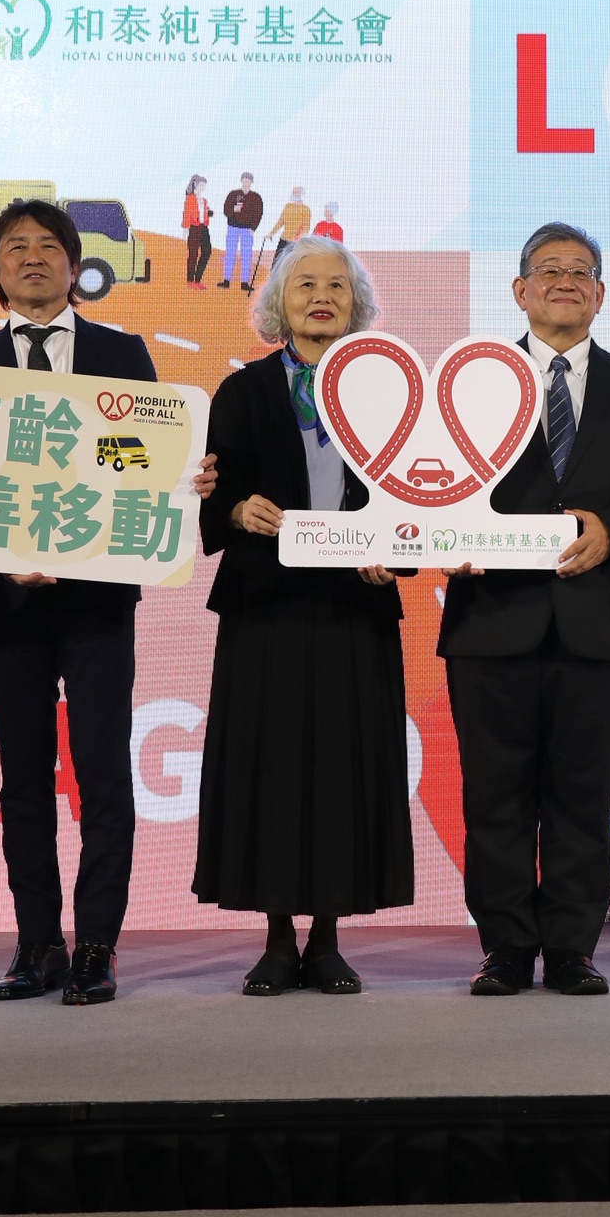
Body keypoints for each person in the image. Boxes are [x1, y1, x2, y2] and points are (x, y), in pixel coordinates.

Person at [438, 224, 610, 996]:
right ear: (520, 291)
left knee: (582, 798)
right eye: (548, 270)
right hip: (492, 619)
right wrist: (443, 533)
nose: (565, 281)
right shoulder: (471, 382)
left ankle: (573, 949)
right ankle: (506, 949)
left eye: (581, 271)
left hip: (598, 622)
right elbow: (432, 478)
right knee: (496, 798)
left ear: (600, 295)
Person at [0, 199, 159, 1006]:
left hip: (99, 594)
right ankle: (37, 945)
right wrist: (5, 554)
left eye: (48, 246)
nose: (32, 257)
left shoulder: (121, 353)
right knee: (22, 779)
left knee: (102, 773)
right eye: (15, 247)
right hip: (8, 603)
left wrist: (180, 476)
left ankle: (97, 946)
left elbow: (141, 459)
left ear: (76, 266)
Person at [191, 237, 412, 996]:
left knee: (346, 770)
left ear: (358, 305)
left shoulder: (387, 394)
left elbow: (412, 499)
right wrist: (235, 509)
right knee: (271, 768)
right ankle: (278, 940)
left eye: (337, 286)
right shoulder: (242, 390)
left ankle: (327, 939)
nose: (322, 297)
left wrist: (393, 552)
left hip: (356, 607)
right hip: (266, 607)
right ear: (278, 305)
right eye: (305, 285)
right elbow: (215, 491)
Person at [220, 172, 263, 288]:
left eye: (248, 181)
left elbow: (258, 213)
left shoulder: (256, 197)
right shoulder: (233, 194)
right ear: (241, 181)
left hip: (247, 230)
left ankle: (244, 282)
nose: (246, 182)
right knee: (230, 254)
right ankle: (226, 280)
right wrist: (233, 209)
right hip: (233, 228)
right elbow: (226, 210)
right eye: (244, 180)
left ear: (252, 182)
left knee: (246, 255)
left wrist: (253, 228)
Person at [181, 174, 213, 289]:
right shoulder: (190, 198)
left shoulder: (204, 201)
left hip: (204, 228)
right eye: (201, 185)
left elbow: (205, 213)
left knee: (207, 251)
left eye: (204, 185)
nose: (203, 187)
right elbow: (186, 213)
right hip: (194, 228)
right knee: (193, 254)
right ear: (195, 184)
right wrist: (186, 229)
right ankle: (190, 281)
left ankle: (197, 280)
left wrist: (209, 214)